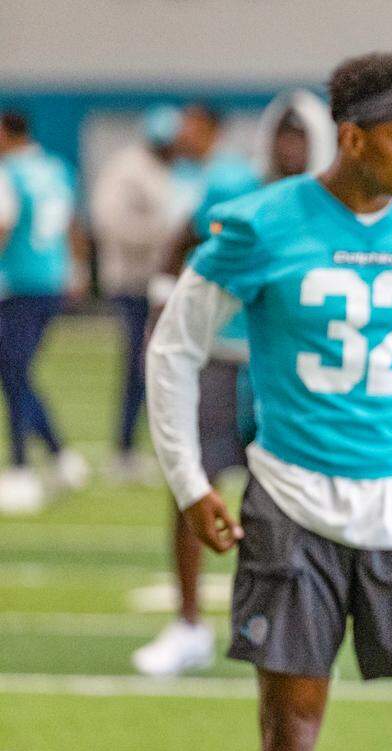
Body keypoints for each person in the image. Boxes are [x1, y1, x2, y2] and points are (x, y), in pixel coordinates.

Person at [147, 53, 392, 751]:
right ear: (353, 139)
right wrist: (188, 480)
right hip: (291, 503)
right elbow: (174, 346)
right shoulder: (261, 224)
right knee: (290, 735)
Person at [132, 90, 336, 677]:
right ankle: (188, 621)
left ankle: (291, 626)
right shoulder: (230, 186)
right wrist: (161, 309)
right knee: (191, 484)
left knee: (290, 499)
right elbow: (179, 245)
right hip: (223, 356)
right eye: (284, 132)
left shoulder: (333, 203)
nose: (291, 145)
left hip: (292, 369)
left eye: (303, 134)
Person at [0, 110, 89, 514]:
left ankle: (21, 466)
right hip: (51, 278)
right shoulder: (57, 168)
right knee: (16, 369)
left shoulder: (9, 172)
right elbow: (73, 223)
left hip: (17, 281)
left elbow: (3, 225)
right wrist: (77, 267)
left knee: (15, 369)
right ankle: (58, 454)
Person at [90, 105, 186, 481]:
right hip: (132, 281)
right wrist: (158, 239)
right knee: (138, 365)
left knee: (156, 366)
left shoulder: (166, 171)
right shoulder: (128, 169)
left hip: (158, 282)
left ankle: (139, 446)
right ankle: (124, 448)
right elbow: (109, 220)